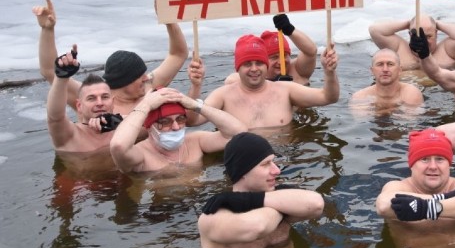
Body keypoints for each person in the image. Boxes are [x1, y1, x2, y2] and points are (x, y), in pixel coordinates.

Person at [197, 133, 324, 248]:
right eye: (265, 164)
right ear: (242, 170)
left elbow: (316, 204)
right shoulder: (213, 216)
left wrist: (249, 200)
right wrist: (281, 206)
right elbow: (256, 227)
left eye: (273, 162)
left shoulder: (274, 197)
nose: (277, 170)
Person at [32, 0, 189, 116]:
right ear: (123, 82)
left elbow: (178, 55)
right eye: (139, 76)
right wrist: (47, 30)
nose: (146, 78)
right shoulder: (94, 98)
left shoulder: (148, 87)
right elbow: (50, 72)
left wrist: (169, 21)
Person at [199, 34, 339, 130]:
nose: (254, 69)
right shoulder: (225, 93)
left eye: (259, 63)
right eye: (247, 64)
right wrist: (195, 85)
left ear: (264, 64)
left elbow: (329, 97)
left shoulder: (286, 88)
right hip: (242, 162)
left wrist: (329, 72)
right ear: (238, 68)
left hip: (286, 161)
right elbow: (193, 120)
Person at [109, 87, 246, 174]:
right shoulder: (141, 155)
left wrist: (195, 105)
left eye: (180, 119)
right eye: (165, 122)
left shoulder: (195, 141)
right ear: (149, 126)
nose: (175, 127)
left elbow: (239, 134)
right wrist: (145, 106)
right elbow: (118, 146)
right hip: (160, 214)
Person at [46, 45, 123, 154]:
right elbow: (55, 118)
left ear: (113, 102)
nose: (100, 103)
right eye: (91, 99)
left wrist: (120, 122)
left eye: (105, 97)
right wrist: (61, 77)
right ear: (79, 106)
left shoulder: (125, 128)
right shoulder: (70, 136)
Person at [224, 13, 318, 85]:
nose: (281, 61)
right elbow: (230, 81)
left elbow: (311, 51)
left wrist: (289, 29)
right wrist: (270, 85)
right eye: (274, 57)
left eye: (284, 55)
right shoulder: (256, 75)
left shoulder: (297, 70)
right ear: (263, 60)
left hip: (302, 110)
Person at [368, 13, 455, 71]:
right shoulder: (399, 48)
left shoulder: (447, 51)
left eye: (428, 36)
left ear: (436, 33)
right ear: (410, 34)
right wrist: (409, 23)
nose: (423, 41)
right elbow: (375, 30)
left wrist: (436, 24)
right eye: (418, 36)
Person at [350, 49, 424, 114]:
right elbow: (361, 123)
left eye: (390, 64)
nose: (385, 69)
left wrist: (380, 111)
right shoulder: (360, 97)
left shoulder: (411, 93)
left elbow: (409, 121)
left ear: (399, 70)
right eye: (380, 64)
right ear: (372, 71)